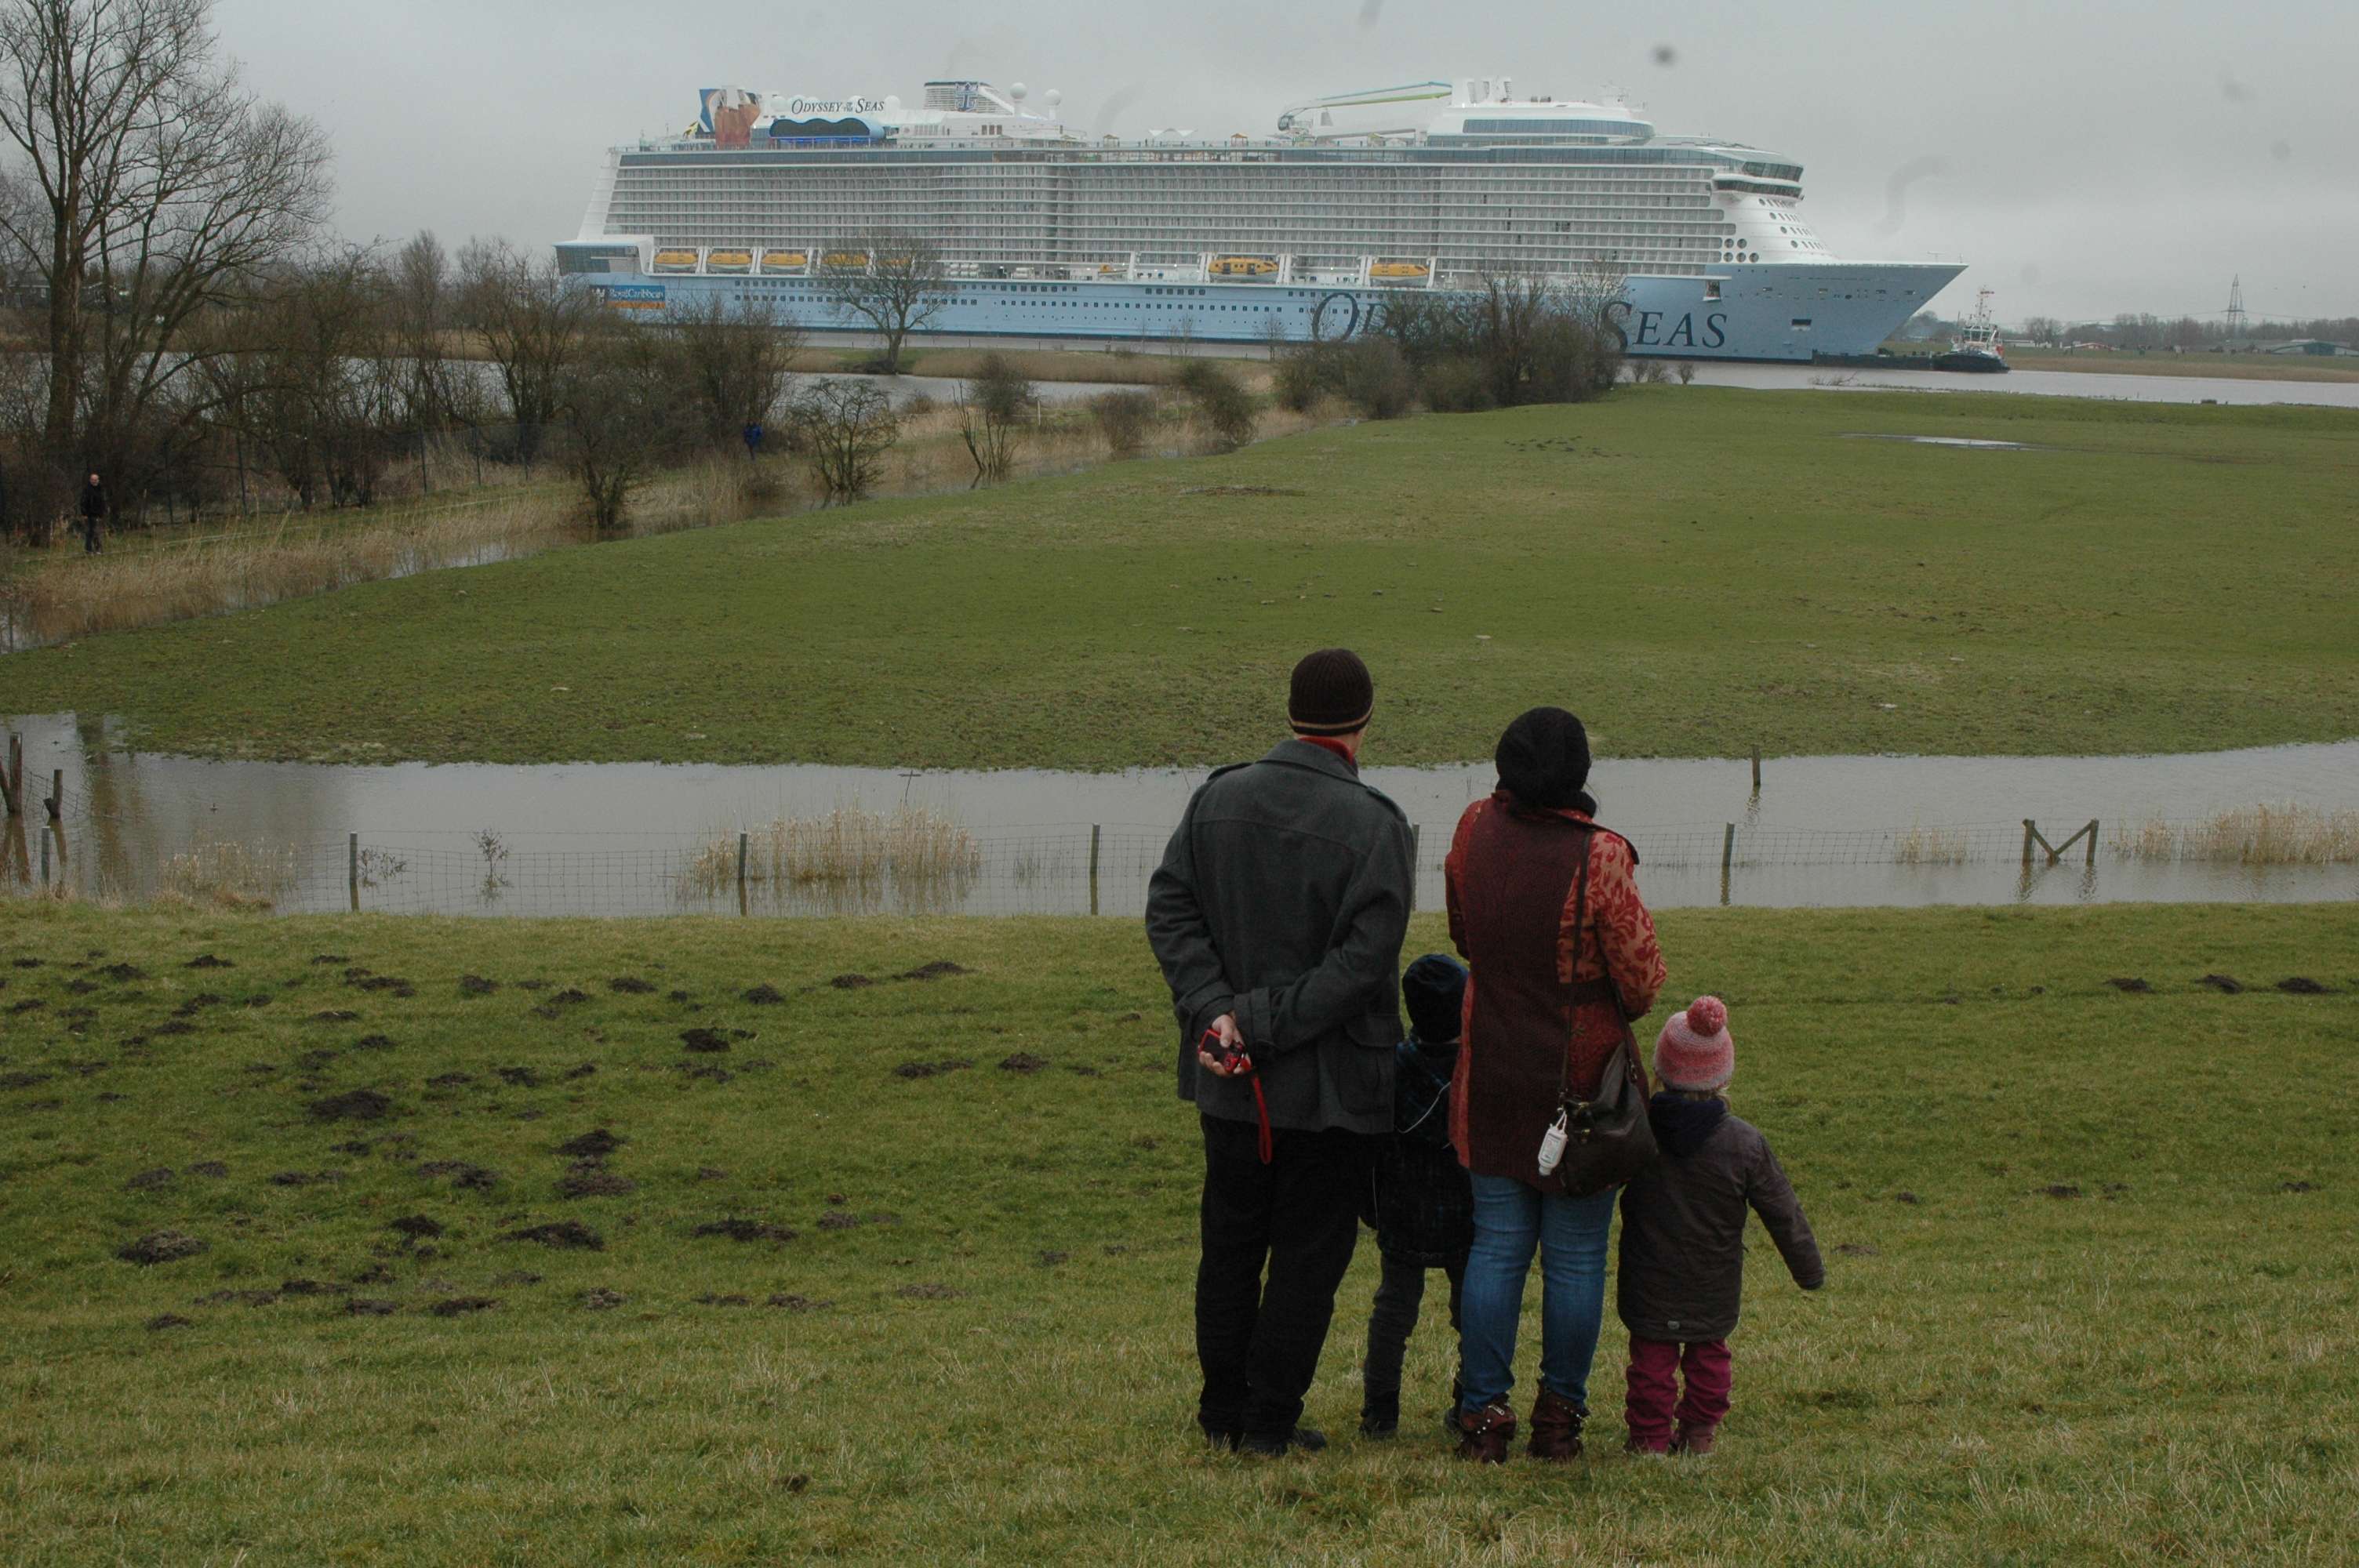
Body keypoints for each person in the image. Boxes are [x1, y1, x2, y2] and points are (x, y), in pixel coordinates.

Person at [1147, 648, 1416, 1457]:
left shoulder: (1216, 797)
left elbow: (1170, 910)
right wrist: (1252, 1021)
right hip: (1329, 1090)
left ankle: (1222, 1412)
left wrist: (1216, 1014)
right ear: (1365, 719)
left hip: (1230, 1077)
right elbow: (1362, 965)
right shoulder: (1377, 824)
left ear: (1291, 711)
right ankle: (1264, 1422)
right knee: (1307, 1257)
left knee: (1229, 1245)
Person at [1445, 706, 1667, 1463]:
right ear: (1577, 775)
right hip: (1583, 1087)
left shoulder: (1474, 827)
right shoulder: (1601, 854)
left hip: (1492, 1067)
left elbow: (1463, 934)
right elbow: (1641, 981)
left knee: (1497, 1245)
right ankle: (1559, 1420)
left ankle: (1482, 1416)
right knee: (1574, 1257)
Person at [1618, 996, 1823, 1456]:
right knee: (1709, 1357)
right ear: (1723, 1075)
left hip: (1648, 1275)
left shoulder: (1636, 1131)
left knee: (1650, 1362)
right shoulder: (1744, 1144)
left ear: (1660, 1069)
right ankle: (1699, 1433)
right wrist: (1808, 1269)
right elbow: (1783, 1210)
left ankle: (1648, 1439)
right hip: (1713, 1279)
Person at [1359, 953, 1474, 1438]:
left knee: (1393, 1312)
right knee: (1472, 1312)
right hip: (1466, 1213)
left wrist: (1372, 1207)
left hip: (1403, 1210)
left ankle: (1380, 1412)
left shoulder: (1391, 1067)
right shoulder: (1475, 1070)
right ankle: (1471, 1403)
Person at [78, 472, 107, 555]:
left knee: (97, 532)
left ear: (98, 480)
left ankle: (97, 550)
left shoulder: (101, 489)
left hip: (99, 515)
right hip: (89, 515)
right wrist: (84, 514)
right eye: (92, 479)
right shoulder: (87, 489)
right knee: (90, 533)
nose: (94, 481)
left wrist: (103, 513)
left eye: (96, 479)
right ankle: (89, 551)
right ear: (90, 480)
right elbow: (83, 502)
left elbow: (103, 502)